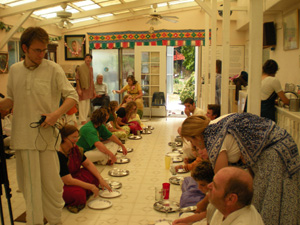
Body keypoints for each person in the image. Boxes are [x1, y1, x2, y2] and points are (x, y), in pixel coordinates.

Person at [0, 27, 78, 225]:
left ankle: (55, 221)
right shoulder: (15, 70)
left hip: (46, 137)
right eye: (37, 50)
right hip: (22, 137)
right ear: (24, 48)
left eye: (44, 50)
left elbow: (72, 96)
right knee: (29, 186)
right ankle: (34, 221)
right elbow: (11, 99)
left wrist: (55, 115)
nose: (42, 54)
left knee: (52, 185)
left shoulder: (53, 68)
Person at [180, 113, 300, 225]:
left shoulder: (213, 138)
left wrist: (203, 203)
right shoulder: (215, 126)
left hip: (274, 154)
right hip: (282, 144)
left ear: (196, 136)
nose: (194, 146)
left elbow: (220, 183)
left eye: (192, 141)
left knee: (269, 203)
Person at [58, 124, 111, 213]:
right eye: (74, 137)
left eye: (77, 137)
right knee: (78, 194)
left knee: (94, 176)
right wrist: (90, 186)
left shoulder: (75, 148)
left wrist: (100, 179)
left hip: (74, 176)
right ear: (64, 138)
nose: (77, 140)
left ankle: (86, 189)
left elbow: (88, 164)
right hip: (62, 184)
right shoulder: (59, 154)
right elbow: (67, 180)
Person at [173, 160, 215, 225]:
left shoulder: (216, 199)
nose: (199, 188)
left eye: (202, 185)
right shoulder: (209, 193)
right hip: (205, 216)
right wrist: (184, 220)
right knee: (184, 216)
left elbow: (209, 219)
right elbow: (204, 214)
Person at [76, 53, 96, 125]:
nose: (88, 59)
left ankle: (85, 119)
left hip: (89, 88)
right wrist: (79, 89)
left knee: (87, 104)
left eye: (89, 58)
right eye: (87, 58)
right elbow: (77, 79)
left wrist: (93, 90)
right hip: (82, 88)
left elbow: (92, 79)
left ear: (91, 60)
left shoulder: (91, 68)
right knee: (82, 104)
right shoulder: (80, 67)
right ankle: (82, 120)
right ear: (84, 59)